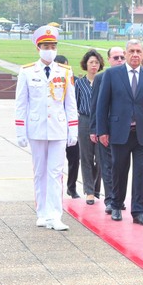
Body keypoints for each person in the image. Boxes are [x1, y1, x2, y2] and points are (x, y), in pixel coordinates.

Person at [14, 25, 78, 231]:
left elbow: (70, 103)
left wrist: (73, 129)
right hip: (36, 127)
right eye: (46, 46)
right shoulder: (26, 72)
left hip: (58, 127)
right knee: (39, 172)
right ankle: (42, 212)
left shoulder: (65, 72)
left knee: (56, 173)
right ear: (38, 48)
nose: (50, 49)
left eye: (53, 45)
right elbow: (21, 104)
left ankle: (55, 215)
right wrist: (20, 130)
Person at [96, 39, 143, 226]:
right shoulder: (111, 74)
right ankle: (116, 205)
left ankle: (138, 211)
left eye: (138, 51)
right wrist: (102, 131)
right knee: (119, 170)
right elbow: (103, 105)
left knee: (141, 173)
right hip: (119, 131)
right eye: (131, 51)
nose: (135, 54)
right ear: (125, 53)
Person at [90, 46, 124, 214]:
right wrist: (95, 129)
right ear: (109, 59)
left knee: (121, 166)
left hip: (125, 131)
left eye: (121, 57)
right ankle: (110, 199)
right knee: (107, 165)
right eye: (115, 57)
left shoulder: (131, 77)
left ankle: (119, 198)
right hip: (106, 129)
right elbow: (95, 105)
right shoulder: (100, 78)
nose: (119, 60)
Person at [76, 49, 104, 205]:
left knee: (101, 158)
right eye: (91, 62)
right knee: (86, 157)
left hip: (100, 122)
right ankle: (89, 191)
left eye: (96, 62)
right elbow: (75, 103)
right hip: (85, 120)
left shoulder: (104, 80)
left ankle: (95, 187)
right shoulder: (80, 83)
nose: (94, 65)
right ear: (86, 65)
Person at [56, 54, 81, 199]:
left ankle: (71, 187)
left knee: (74, 159)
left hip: (71, 127)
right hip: (56, 127)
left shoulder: (75, 81)